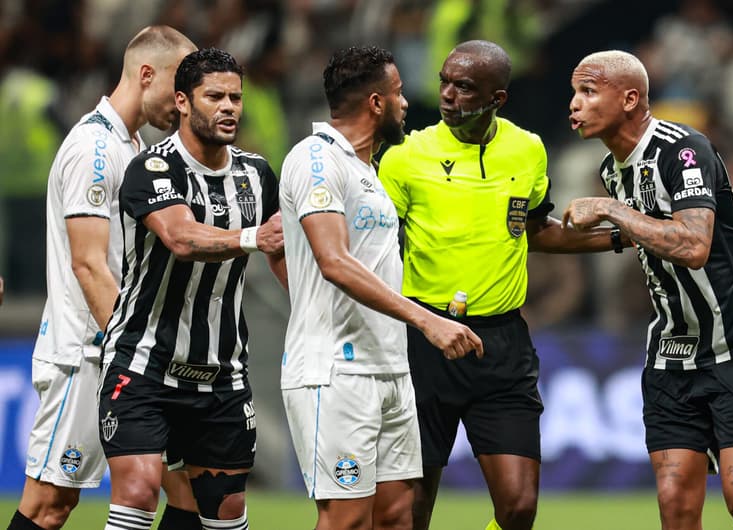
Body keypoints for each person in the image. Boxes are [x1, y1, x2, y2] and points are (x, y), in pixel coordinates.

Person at [378, 39, 607, 530]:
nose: (447, 95)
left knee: (519, 507)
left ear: (496, 99)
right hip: (426, 342)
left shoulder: (527, 150)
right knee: (410, 511)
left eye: (464, 87)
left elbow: (536, 232)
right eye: (444, 82)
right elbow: (371, 244)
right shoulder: (404, 157)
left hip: (501, 346)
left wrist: (621, 239)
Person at [563, 49, 733, 530]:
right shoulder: (613, 169)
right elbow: (631, 237)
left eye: (587, 91)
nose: (574, 105)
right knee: (675, 505)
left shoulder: (683, 148)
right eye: (573, 93)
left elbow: (693, 245)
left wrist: (610, 209)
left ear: (629, 99)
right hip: (671, 353)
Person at [279, 45, 483, 530]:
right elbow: (332, 261)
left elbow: (278, 243)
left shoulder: (366, 172)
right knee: (347, 519)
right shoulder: (315, 158)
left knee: (396, 517)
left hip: (389, 366)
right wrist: (425, 319)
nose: (406, 103)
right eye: (398, 93)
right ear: (375, 103)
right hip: (337, 371)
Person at [7, 26, 201, 530]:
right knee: (51, 504)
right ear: (145, 74)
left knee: (187, 490)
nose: (184, 104)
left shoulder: (133, 147)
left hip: (124, 348)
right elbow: (89, 264)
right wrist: (132, 350)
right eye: (178, 88)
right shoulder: (94, 148)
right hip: (88, 353)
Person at [97, 47, 285, 530]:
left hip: (221, 373)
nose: (229, 107)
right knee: (139, 490)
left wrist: (309, 306)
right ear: (182, 101)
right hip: (143, 364)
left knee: (223, 509)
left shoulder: (256, 174)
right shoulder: (152, 169)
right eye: (215, 96)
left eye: (236, 98)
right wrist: (251, 238)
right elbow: (181, 238)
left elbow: (280, 249)